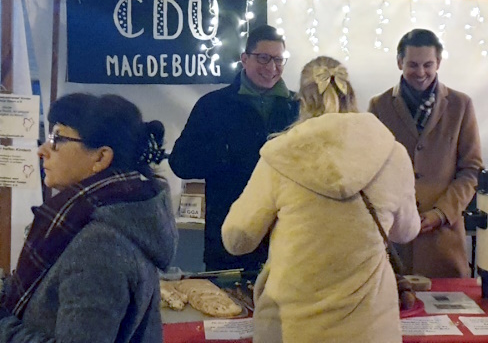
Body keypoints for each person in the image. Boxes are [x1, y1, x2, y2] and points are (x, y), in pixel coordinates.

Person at [222, 56, 420, 343]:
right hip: (371, 327)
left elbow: (237, 239)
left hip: (293, 327)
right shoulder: (393, 152)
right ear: (351, 95)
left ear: (302, 100)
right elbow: (407, 231)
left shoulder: (280, 156)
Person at [0, 93, 177, 342]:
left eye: (57, 138)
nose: (42, 150)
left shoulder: (99, 244)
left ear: (100, 157)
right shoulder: (104, 218)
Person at [168, 24, 299, 273]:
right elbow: (180, 163)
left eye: (279, 60)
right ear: (244, 59)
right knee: (227, 309)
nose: (271, 68)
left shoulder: (298, 106)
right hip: (229, 236)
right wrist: (227, 154)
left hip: (287, 235)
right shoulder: (213, 105)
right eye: (263, 58)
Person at [368, 28, 483, 278]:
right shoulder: (379, 106)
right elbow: (372, 168)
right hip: (396, 238)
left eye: (428, 65)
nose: (421, 73)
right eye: (413, 64)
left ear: (439, 63)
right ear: (399, 62)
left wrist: (441, 213)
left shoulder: (461, 105)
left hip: (444, 239)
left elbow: (471, 170)